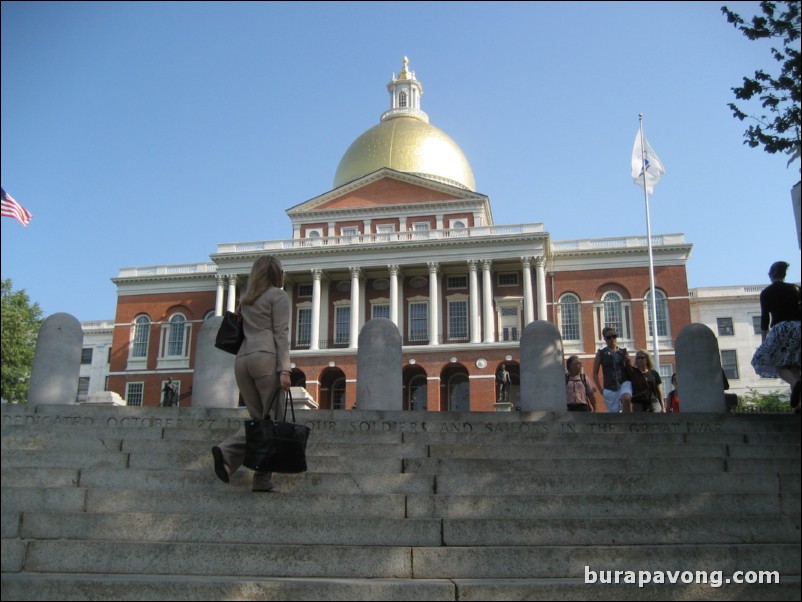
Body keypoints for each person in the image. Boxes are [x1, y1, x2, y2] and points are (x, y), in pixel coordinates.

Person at [212, 255, 292, 492]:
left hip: (242, 361)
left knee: (262, 421)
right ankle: (227, 452)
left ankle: (259, 479)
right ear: (276, 273)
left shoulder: (245, 301)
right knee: (272, 422)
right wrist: (285, 369)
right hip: (265, 358)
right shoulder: (278, 296)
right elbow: (281, 333)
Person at [751, 261, 801, 410]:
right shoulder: (797, 289)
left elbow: (765, 317)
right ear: (784, 274)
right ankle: (799, 405)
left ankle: (794, 383)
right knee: (795, 366)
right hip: (799, 326)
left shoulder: (767, 292)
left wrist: (764, 341)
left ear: (771, 275)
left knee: (777, 363)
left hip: (782, 328)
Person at [592, 327, 632, 412]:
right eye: (608, 337)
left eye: (614, 336)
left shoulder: (623, 352)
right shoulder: (601, 353)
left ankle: (628, 422)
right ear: (605, 339)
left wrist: (628, 361)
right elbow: (595, 373)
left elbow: (630, 368)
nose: (612, 339)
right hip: (609, 386)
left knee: (626, 399)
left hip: (624, 382)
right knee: (613, 414)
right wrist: (601, 390)